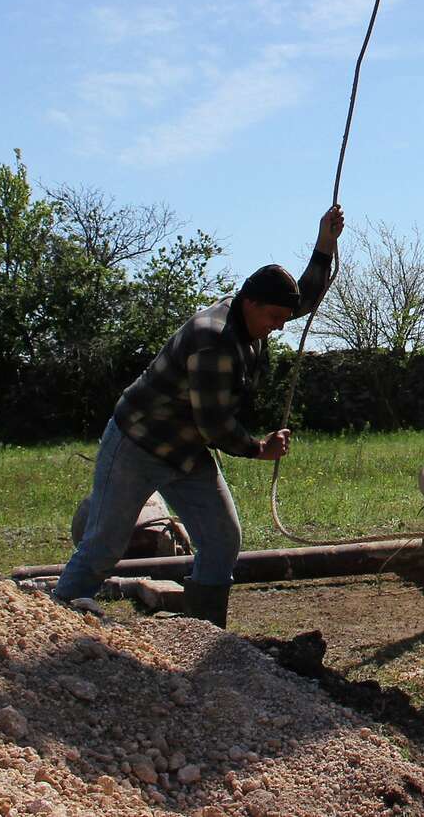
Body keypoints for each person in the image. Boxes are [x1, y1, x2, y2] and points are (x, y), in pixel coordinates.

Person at [51, 204, 345, 626]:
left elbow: (304, 298)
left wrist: (324, 243)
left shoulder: (254, 315)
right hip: (138, 444)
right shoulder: (214, 340)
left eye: (284, 318)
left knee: (222, 539)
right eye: (275, 318)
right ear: (250, 301)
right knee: (103, 545)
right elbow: (214, 424)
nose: (280, 327)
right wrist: (258, 448)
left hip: (186, 450)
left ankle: (204, 635)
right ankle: (55, 622)